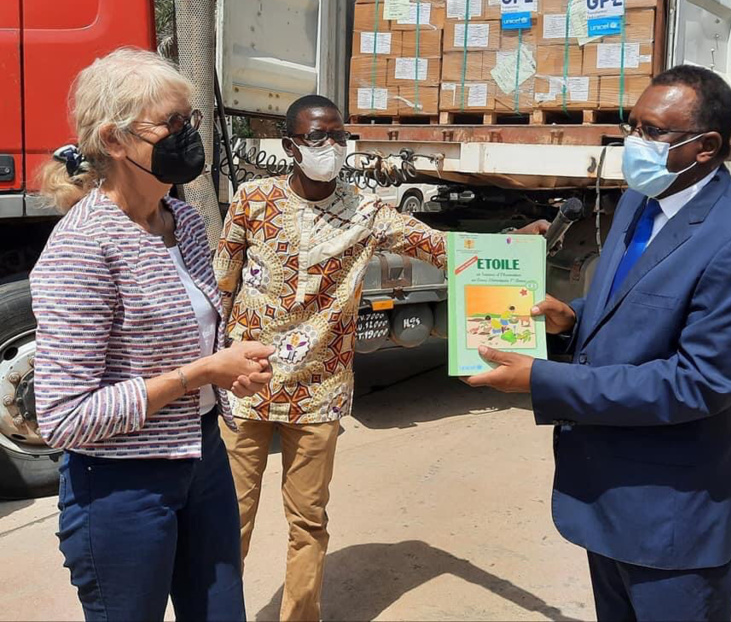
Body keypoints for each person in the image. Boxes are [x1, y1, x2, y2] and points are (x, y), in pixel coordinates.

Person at [465, 65, 731, 622]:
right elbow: (632, 305)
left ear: (705, 147)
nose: (632, 143)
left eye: (652, 131)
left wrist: (543, 380)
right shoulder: (639, 204)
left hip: (672, 522)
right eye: (631, 125)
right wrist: (573, 319)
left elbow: (699, 383)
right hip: (605, 498)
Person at [30, 48, 274, 622]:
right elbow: (64, 416)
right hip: (122, 486)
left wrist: (231, 367)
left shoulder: (184, 221)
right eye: (171, 123)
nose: (187, 135)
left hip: (204, 456)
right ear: (114, 141)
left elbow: (197, 336)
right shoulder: (82, 248)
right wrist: (198, 375)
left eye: (189, 120)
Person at [213, 94, 449, 621]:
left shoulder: (365, 210)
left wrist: (512, 246)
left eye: (339, 136)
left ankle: (300, 616)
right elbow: (221, 285)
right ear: (291, 146)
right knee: (229, 519)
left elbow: (435, 245)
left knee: (308, 519)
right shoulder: (252, 200)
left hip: (319, 387)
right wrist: (210, 368)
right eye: (319, 137)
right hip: (247, 383)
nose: (332, 147)